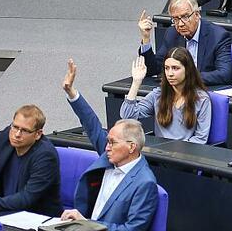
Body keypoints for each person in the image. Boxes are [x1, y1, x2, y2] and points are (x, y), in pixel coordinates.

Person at [61, 59, 159, 229]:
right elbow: (92, 125)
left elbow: (131, 229)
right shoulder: (110, 155)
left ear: (131, 147)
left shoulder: (145, 183)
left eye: (112, 142)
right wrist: (72, 92)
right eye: (108, 142)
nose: (106, 147)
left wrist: (86, 223)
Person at [138, 0, 232, 85]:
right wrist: (146, 38)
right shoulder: (172, 34)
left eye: (185, 17)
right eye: (175, 19)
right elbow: (154, 69)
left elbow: (225, 74)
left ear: (197, 15)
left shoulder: (218, 36)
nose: (180, 24)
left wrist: (185, 77)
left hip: (204, 91)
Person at [121, 49, 212, 144]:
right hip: (160, 152)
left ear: (188, 70)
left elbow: (200, 139)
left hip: (186, 154)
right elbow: (128, 117)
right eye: (166, 68)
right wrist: (136, 82)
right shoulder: (158, 94)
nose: (170, 74)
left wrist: (175, 152)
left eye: (175, 68)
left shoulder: (201, 99)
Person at [0, 105, 61, 216]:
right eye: (15, 127)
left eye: (24, 130)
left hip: (33, 217)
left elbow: (26, 199)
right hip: (3, 210)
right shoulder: (6, 137)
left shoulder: (46, 156)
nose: (17, 134)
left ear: (38, 134)